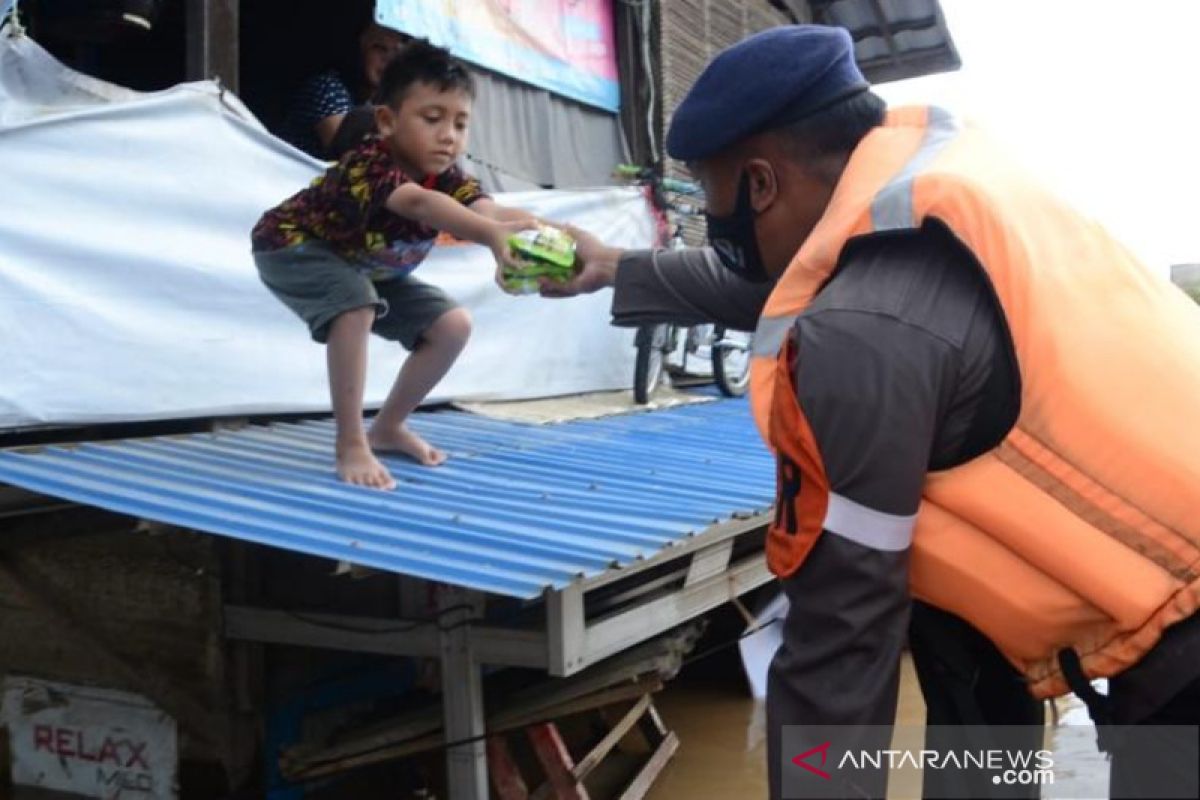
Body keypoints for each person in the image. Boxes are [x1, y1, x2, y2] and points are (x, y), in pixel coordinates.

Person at [534, 25, 1200, 800]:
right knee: (965, 668)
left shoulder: (858, 337)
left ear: (758, 185)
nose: (714, 222)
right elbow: (783, 280)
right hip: (1136, 573)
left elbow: (840, 652)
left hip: (1182, 652)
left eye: (709, 193)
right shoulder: (935, 190)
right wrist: (613, 268)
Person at [253, 40, 534, 491]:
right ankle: (350, 444)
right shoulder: (371, 163)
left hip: (362, 265)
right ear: (386, 120)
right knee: (355, 307)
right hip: (291, 246)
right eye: (433, 118)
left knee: (452, 326)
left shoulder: (447, 174)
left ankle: (386, 428)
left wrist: (540, 234)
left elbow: (487, 212)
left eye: (461, 123)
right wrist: (492, 236)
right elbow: (420, 204)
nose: (449, 135)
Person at [280, 21, 409, 160]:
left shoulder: (376, 100)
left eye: (396, 52)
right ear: (359, 49)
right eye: (379, 48)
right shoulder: (328, 88)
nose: (388, 60)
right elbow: (352, 159)